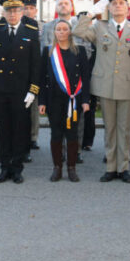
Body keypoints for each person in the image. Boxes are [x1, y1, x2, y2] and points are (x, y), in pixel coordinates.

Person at [73, 0, 130, 183]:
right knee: (110, 128)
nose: (118, 6)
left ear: (128, 8)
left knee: (125, 128)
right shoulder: (99, 27)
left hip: (127, 86)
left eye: (122, 3)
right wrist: (89, 14)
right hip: (105, 85)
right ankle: (111, 167)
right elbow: (78, 31)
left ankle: (124, 167)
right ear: (109, 8)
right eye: (114, 3)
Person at [0, 0, 40, 184]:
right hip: (1, 89)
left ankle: (17, 168)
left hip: (21, 90)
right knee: (3, 131)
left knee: (20, 130)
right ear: (3, 13)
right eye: (9, 11)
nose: (12, 14)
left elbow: (36, 63)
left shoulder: (30, 30)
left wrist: (33, 90)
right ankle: (4, 167)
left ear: (22, 12)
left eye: (16, 10)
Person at [39, 20, 91, 182]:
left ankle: (71, 168)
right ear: (54, 32)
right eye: (58, 29)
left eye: (65, 29)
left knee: (72, 134)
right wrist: (42, 102)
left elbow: (86, 77)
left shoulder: (80, 51)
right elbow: (41, 78)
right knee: (56, 134)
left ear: (70, 31)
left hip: (74, 99)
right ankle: (57, 167)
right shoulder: (48, 51)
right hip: (53, 99)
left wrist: (86, 100)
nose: (61, 32)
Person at [23, 0, 41, 152]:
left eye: (31, 8)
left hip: (37, 70)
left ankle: (33, 137)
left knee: (34, 106)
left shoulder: (41, 26)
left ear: (36, 10)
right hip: (21, 72)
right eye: (25, 8)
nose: (28, 11)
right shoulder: (18, 24)